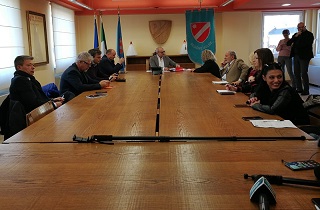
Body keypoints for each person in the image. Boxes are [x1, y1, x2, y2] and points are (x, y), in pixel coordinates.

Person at [287, 22, 314, 95]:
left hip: (304, 57)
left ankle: (306, 90)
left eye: (302, 27)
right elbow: (288, 43)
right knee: (296, 73)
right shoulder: (296, 35)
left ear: (305, 27)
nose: (301, 29)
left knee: (304, 73)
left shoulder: (309, 34)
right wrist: (295, 37)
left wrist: (297, 42)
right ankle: (299, 88)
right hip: (296, 56)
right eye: (299, 28)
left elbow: (305, 44)